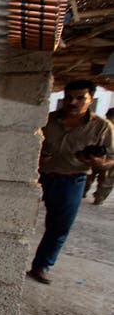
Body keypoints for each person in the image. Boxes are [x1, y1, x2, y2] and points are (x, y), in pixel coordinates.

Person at [27, 80, 114, 284]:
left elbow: (111, 158)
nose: (72, 102)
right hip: (40, 176)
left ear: (90, 99)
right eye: (69, 98)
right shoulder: (48, 121)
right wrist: (39, 157)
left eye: (80, 98)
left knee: (59, 226)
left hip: (71, 180)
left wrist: (99, 163)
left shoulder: (101, 128)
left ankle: (42, 265)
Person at [83, 107, 114, 205]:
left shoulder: (102, 125)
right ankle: (84, 192)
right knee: (88, 175)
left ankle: (99, 197)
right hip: (95, 155)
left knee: (106, 179)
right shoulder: (101, 126)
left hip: (109, 158)